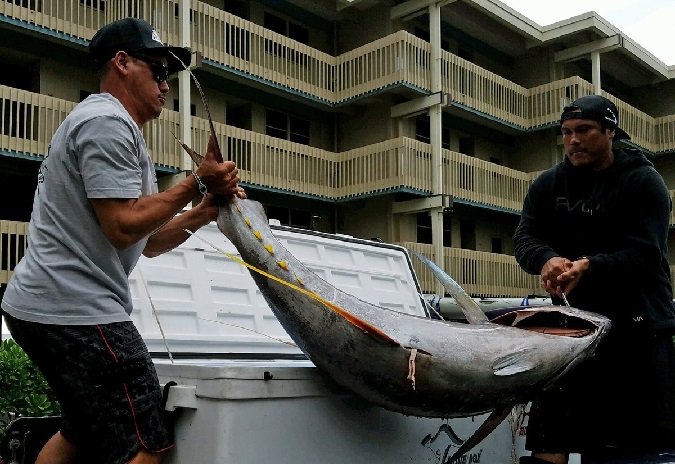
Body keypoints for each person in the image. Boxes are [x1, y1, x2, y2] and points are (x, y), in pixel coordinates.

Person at [1, 17, 245, 464]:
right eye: (157, 70)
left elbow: (144, 240)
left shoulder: (117, 128)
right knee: (147, 445)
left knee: (82, 429)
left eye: (169, 75)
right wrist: (195, 180)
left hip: (47, 307)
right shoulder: (105, 123)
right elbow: (122, 225)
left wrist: (207, 210)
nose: (166, 84)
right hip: (75, 309)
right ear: (122, 63)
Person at [513, 94, 675, 464]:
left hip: (637, 330)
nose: (573, 140)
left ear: (610, 131)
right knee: (550, 440)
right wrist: (547, 259)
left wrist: (590, 265)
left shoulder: (644, 182)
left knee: (625, 448)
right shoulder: (548, 185)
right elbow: (525, 238)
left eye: (584, 130)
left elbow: (646, 254)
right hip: (571, 331)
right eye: (567, 132)